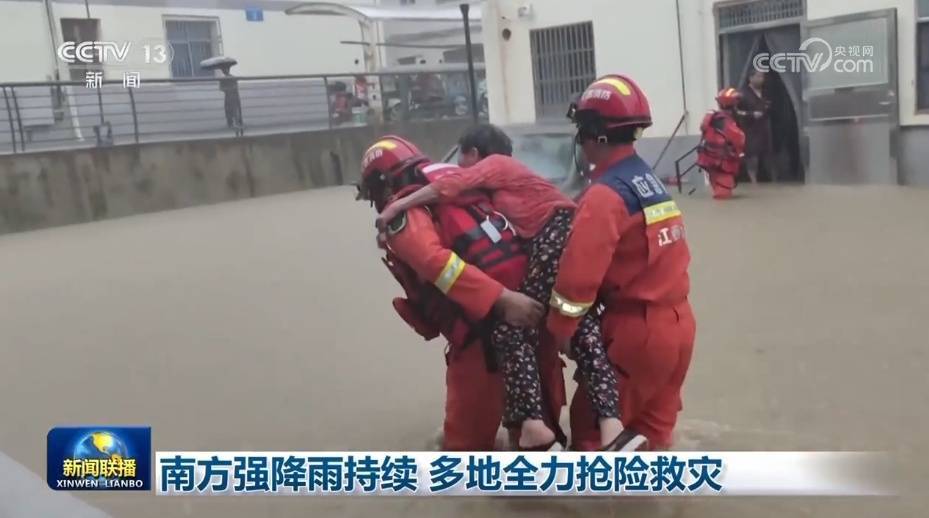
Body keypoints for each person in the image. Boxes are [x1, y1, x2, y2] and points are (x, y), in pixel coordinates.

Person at [377, 124, 644, 452]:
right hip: (555, 275)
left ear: (476, 155)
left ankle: (535, 429)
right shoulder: (489, 198)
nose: (461, 164)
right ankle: (606, 430)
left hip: (493, 328)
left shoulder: (488, 172)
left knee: (510, 330)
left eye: (464, 156)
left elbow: (437, 254)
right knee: (583, 331)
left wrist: (396, 208)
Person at [357, 135, 567, 451]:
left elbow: (436, 263)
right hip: (534, 317)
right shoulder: (464, 185)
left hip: (482, 339)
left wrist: (501, 298)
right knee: (540, 440)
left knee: (462, 456)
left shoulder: (405, 215)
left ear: (381, 185)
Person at [547, 75, 696, 451]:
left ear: (593, 134)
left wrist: (561, 331)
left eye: (581, 128)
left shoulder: (604, 197)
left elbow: (576, 282)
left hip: (636, 334)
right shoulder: (648, 181)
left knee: (591, 437)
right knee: (653, 438)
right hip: (678, 328)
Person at [697, 88, 746, 200]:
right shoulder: (726, 121)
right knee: (723, 195)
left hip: (710, 160)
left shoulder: (713, 117)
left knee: (719, 191)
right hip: (723, 163)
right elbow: (739, 139)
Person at [738, 70, 774, 184]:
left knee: (766, 156)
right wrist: (751, 114)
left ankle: (770, 181)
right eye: (758, 76)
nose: (761, 79)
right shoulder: (742, 94)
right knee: (752, 157)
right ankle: (753, 182)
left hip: (764, 130)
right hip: (749, 131)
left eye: (762, 77)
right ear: (750, 78)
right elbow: (736, 112)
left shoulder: (766, 93)